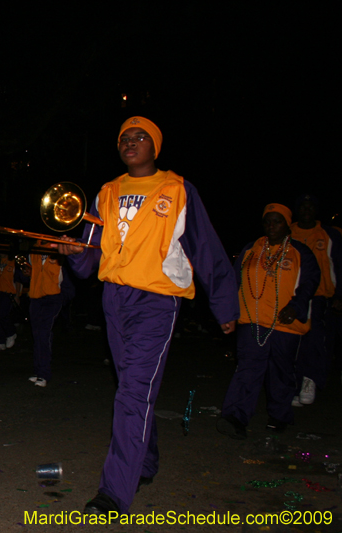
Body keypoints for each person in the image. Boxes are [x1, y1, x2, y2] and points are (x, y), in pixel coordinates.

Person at [57, 117, 238, 515]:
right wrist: (75, 253)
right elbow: (89, 261)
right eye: (124, 137)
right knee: (132, 387)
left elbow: (206, 248)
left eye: (140, 137)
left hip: (156, 302)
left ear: (155, 147)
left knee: (132, 393)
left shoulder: (177, 190)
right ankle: (146, 460)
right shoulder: (106, 192)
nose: (131, 142)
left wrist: (225, 304)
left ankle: (114, 493)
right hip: (114, 300)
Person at [217, 204, 319, 438]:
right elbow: (234, 281)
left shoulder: (300, 252)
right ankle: (235, 417)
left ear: (287, 225)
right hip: (252, 322)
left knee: (280, 372)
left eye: (278, 221)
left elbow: (310, 283)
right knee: (248, 369)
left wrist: (296, 306)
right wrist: (228, 313)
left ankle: (280, 416)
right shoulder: (251, 249)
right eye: (268, 222)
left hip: (285, 325)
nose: (272, 226)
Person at [289, 194, 342, 406]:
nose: (307, 210)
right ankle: (295, 384)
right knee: (293, 343)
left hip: (320, 297)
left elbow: (339, 264)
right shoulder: (287, 231)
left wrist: (339, 295)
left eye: (311, 206)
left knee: (316, 338)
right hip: (291, 297)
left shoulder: (330, 234)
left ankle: (310, 380)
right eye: (303, 206)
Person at [17, 244, 74, 387]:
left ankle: (44, 374)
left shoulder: (59, 250)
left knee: (44, 333)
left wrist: (63, 298)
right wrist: (25, 273)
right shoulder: (33, 251)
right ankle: (38, 372)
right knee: (37, 334)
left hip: (53, 298)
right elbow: (26, 277)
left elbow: (69, 276)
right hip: (36, 298)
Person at [0, 253, 20, 351]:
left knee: (4, 315)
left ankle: (11, 333)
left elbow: (18, 279)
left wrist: (17, 295)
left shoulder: (13, 262)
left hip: (9, 293)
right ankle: (0, 341)